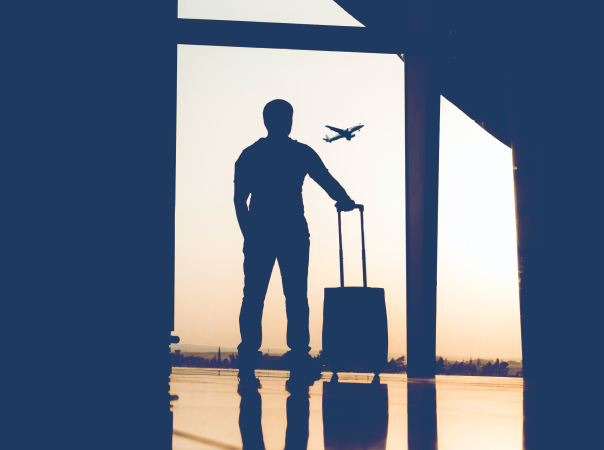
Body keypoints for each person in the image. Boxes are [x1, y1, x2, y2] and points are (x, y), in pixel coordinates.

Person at [234, 99, 356, 386]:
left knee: (253, 297)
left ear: (265, 121)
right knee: (297, 298)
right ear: (289, 121)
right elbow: (325, 179)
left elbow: (240, 201)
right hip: (293, 231)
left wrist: (248, 234)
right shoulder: (300, 152)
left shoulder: (250, 155)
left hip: (260, 232)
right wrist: (345, 200)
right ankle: (299, 355)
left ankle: (248, 356)